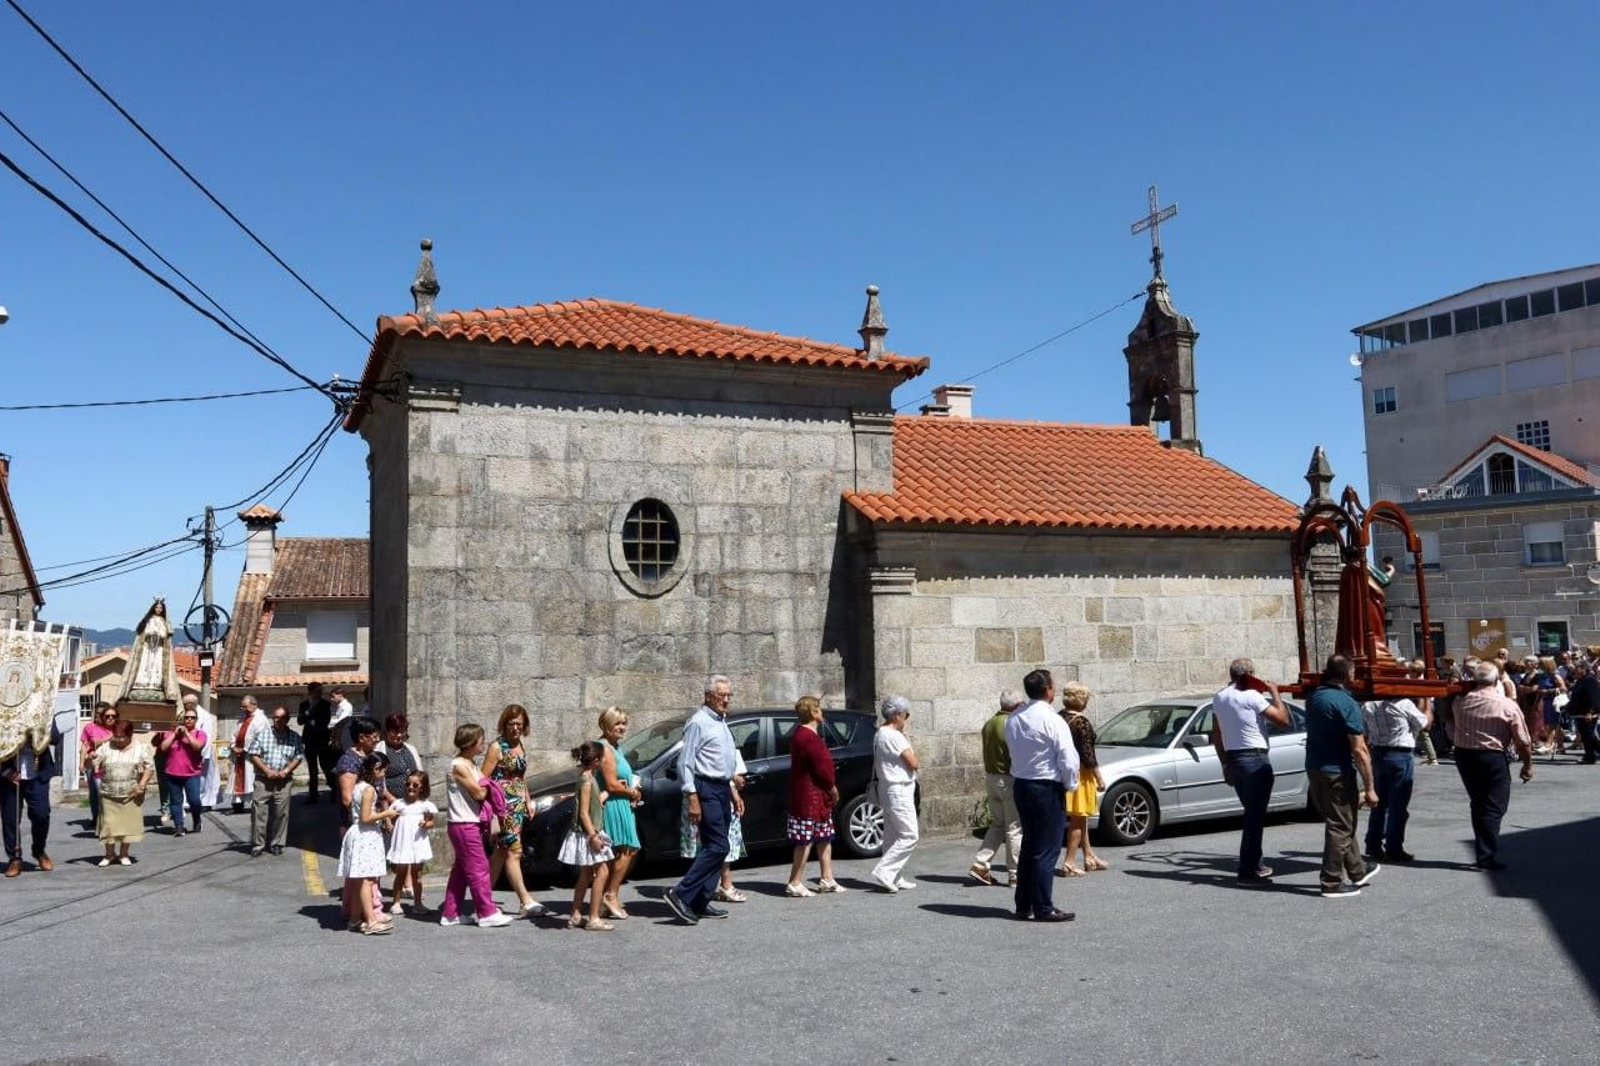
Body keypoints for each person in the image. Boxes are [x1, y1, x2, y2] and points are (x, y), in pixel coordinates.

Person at [1304, 655, 1381, 899]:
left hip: (1315, 768)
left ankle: (1357, 870)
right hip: (1336, 771)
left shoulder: (1315, 696)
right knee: (1340, 826)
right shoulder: (1346, 703)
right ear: (1348, 674)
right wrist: (1370, 787)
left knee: (1342, 821)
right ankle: (1331, 882)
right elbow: (1359, 749)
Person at [1005, 669, 1077, 922]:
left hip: (1022, 783)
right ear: (1048, 690)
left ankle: (1024, 904)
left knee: (1030, 846)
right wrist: (1070, 784)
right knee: (1046, 849)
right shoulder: (1053, 720)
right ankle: (1044, 906)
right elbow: (1067, 758)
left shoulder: (1015, 718)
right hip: (1046, 786)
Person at [665, 675, 738, 925]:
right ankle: (681, 893)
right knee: (718, 846)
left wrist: (731, 788)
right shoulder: (698, 722)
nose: (726, 700)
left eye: (728, 695)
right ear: (708, 696)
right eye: (721, 695)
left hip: (721, 788)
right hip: (706, 787)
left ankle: (700, 901)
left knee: (715, 846)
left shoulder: (720, 720)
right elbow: (685, 762)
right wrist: (693, 796)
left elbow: (722, 760)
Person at [1209, 658, 1289, 883]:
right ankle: (1247, 869)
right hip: (1254, 758)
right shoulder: (1252, 695)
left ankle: (1256, 863)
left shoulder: (1220, 697)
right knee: (1254, 818)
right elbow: (1283, 720)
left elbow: (1217, 735)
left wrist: (1225, 764)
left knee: (1252, 814)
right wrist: (1275, 693)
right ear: (1250, 674)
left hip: (1234, 759)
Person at [1447, 662, 1534, 870]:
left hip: (1464, 754)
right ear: (1496, 680)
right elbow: (1523, 741)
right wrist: (1527, 765)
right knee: (1494, 805)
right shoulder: (1506, 705)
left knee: (1479, 802)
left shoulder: (1460, 701)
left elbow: (1450, 721)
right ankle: (1485, 855)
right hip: (1491, 755)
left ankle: (1483, 849)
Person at [439, 724, 512, 928]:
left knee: (461, 871)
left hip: (468, 822)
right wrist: (490, 785)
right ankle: (487, 912)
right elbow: (479, 793)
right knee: (479, 869)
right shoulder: (459, 766)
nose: (483, 744)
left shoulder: (470, 763)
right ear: (471, 742)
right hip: (463, 823)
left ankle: (450, 913)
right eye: (481, 740)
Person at [482, 704, 542, 918]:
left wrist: (528, 800)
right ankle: (525, 901)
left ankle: (483, 899)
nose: (515, 728)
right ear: (504, 724)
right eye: (511, 724)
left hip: (517, 807)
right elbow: (484, 779)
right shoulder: (497, 747)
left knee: (501, 852)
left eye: (519, 724)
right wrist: (491, 808)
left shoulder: (520, 745)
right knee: (514, 851)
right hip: (503, 807)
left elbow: (521, 778)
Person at [784, 695, 844, 897]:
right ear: (814, 712)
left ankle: (827, 878)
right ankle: (794, 882)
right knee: (804, 840)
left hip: (815, 795)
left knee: (824, 837)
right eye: (819, 708)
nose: (822, 712)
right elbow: (822, 768)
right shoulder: (808, 737)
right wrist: (832, 787)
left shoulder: (803, 734)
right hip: (810, 796)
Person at [1362, 688, 1430, 863]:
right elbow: (1426, 724)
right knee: (1398, 806)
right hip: (1399, 755)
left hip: (1378, 754)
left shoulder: (1369, 705)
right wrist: (1426, 704)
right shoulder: (1404, 704)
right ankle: (1394, 849)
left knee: (1380, 803)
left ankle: (1373, 844)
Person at [336, 752, 400, 935]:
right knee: (367, 880)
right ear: (376, 769)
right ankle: (371, 920)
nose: (384, 775)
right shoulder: (369, 789)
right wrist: (386, 814)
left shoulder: (358, 786)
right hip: (366, 836)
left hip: (359, 834)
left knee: (359, 880)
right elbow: (365, 817)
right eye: (384, 771)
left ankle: (355, 918)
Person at [970, 689, 1025, 887]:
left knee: (998, 824)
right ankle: (1015, 874)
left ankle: (981, 864)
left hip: (991, 777)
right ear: (1017, 705)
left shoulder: (990, 722)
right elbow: (1016, 754)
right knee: (1014, 828)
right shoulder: (1011, 723)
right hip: (1008, 778)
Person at [560, 741, 616, 931]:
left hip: (586, 832)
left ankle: (576, 915)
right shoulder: (586, 781)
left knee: (586, 874)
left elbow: (590, 803)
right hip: (588, 834)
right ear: (596, 761)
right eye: (603, 758)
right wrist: (593, 837)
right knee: (603, 872)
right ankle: (593, 917)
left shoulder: (587, 777)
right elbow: (584, 813)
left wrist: (604, 795)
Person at [869, 695, 921, 893]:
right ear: (897, 715)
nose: (906, 718)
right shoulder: (895, 736)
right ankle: (885, 871)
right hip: (899, 789)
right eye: (906, 714)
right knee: (909, 835)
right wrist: (906, 738)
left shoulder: (880, 733)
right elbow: (914, 762)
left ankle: (895, 876)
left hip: (887, 788)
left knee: (892, 834)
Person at [597, 707, 644, 918]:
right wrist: (632, 792)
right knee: (626, 849)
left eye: (624, 723)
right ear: (607, 725)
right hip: (614, 804)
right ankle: (610, 895)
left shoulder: (615, 747)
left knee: (623, 851)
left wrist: (631, 791)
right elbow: (611, 784)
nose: (622, 727)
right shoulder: (605, 748)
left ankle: (606, 897)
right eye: (617, 723)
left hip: (622, 803)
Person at [1058, 683, 1107, 878]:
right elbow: (1088, 756)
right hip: (1081, 773)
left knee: (1082, 816)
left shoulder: (1059, 717)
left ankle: (1089, 856)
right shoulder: (1081, 722)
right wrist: (1099, 778)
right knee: (1078, 818)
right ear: (1082, 700)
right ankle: (1069, 863)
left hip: (1062, 770)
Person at [90, 720, 152, 867]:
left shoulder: (141, 748)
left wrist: (141, 785)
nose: (118, 740)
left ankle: (124, 854)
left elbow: (149, 768)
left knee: (127, 826)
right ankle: (109, 854)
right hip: (108, 793)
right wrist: (92, 757)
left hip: (131, 793)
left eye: (122, 737)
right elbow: (95, 761)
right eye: (116, 736)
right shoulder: (106, 747)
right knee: (108, 825)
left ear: (130, 735)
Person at [246, 707, 304, 857]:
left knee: (281, 813)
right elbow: (253, 754)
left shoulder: (295, 737)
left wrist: (286, 771)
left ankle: (277, 843)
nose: (277, 720)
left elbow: (298, 756)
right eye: (275, 717)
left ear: (287, 719)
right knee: (259, 812)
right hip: (263, 779)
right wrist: (267, 770)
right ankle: (258, 844)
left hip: (284, 781)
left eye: (281, 718)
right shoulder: (263, 735)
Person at [386, 770, 436, 915]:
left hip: (417, 841)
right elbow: (389, 814)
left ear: (422, 787)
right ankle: (396, 903)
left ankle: (418, 903)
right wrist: (389, 823)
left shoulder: (425, 805)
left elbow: (431, 822)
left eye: (415, 785)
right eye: (408, 784)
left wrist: (425, 823)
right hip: (403, 841)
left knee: (417, 874)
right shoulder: (399, 803)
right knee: (400, 873)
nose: (411, 787)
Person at [159, 705, 208, 836]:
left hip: (192, 774)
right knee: (175, 801)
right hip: (172, 773)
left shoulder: (200, 734)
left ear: (196, 720)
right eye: (187, 717)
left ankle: (197, 819)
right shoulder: (170, 734)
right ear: (182, 719)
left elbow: (197, 747)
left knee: (194, 800)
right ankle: (179, 826)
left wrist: (186, 733)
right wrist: (175, 735)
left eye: (192, 718)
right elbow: (163, 748)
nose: (189, 720)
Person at [229, 696, 268, 813]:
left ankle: (255, 805)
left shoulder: (261, 719)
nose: (243, 709)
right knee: (238, 779)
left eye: (245, 707)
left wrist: (245, 749)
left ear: (254, 704)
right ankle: (237, 804)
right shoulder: (243, 718)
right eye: (242, 707)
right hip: (239, 756)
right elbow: (234, 733)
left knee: (251, 779)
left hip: (252, 756)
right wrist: (233, 746)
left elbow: (259, 737)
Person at [80, 702, 116, 828]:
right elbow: (85, 745)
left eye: (101, 713)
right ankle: (96, 817)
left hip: (110, 763)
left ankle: (106, 819)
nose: (98, 716)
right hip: (93, 764)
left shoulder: (113, 726)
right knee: (95, 792)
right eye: (96, 713)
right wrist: (81, 762)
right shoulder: (89, 727)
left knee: (106, 792)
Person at [297, 683, 333, 804]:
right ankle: (313, 795)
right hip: (309, 740)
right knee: (312, 769)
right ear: (310, 692)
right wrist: (308, 713)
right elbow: (300, 721)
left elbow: (326, 720)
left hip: (322, 739)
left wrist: (315, 722)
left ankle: (334, 790)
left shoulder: (325, 704)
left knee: (326, 766)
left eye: (321, 691)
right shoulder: (304, 705)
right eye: (318, 691)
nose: (320, 693)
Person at [374, 714, 421, 804]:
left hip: (413, 803)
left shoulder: (411, 749)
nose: (399, 735)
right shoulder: (379, 750)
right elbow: (378, 783)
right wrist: (395, 802)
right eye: (394, 732)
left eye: (402, 731)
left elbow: (420, 775)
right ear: (387, 731)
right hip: (391, 804)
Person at [1532, 656, 1568, 758]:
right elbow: (1539, 690)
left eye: (1541, 664)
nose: (1539, 666)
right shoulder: (1541, 676)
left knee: (1552, 724)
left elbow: (1563, 688)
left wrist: (1548, 691)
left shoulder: (1555, 676)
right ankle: (1560, 746)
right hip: (1546, 702)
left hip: (1554, 702)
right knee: (1553, 724)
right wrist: (1536, 703)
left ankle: (1548, 744)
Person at [1567, 661, 1600, 764]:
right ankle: (1590, 756)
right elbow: (1576, 697)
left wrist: (1590, 712)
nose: (1574, 670)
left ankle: (1591, 755)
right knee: (1585, 735)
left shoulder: (1590, 680)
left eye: (1576, 668)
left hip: (1588, 713)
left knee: (1589, 735)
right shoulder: (1580, 681)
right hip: (1579, 713)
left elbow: (1593, 698)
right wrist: (1566, 706)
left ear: (1583, 668)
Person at [329, 687, 355, 754]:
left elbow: (341, 721)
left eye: (333, 696)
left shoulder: (346, 706)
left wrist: (327, 722)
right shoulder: (341, 706)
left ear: (340, 695)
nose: (331, 699)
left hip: (343, 734)